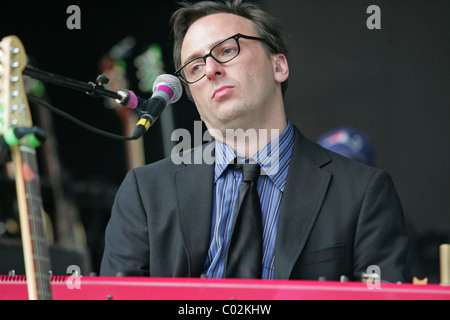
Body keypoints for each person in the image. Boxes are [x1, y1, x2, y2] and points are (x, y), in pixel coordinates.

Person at [100, 0, 410, 282]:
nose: (210, 70)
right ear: (192, 95)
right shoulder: (144, 192)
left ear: (279, 65)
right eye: (194, 67)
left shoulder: (363, 191)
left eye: (227, 50)